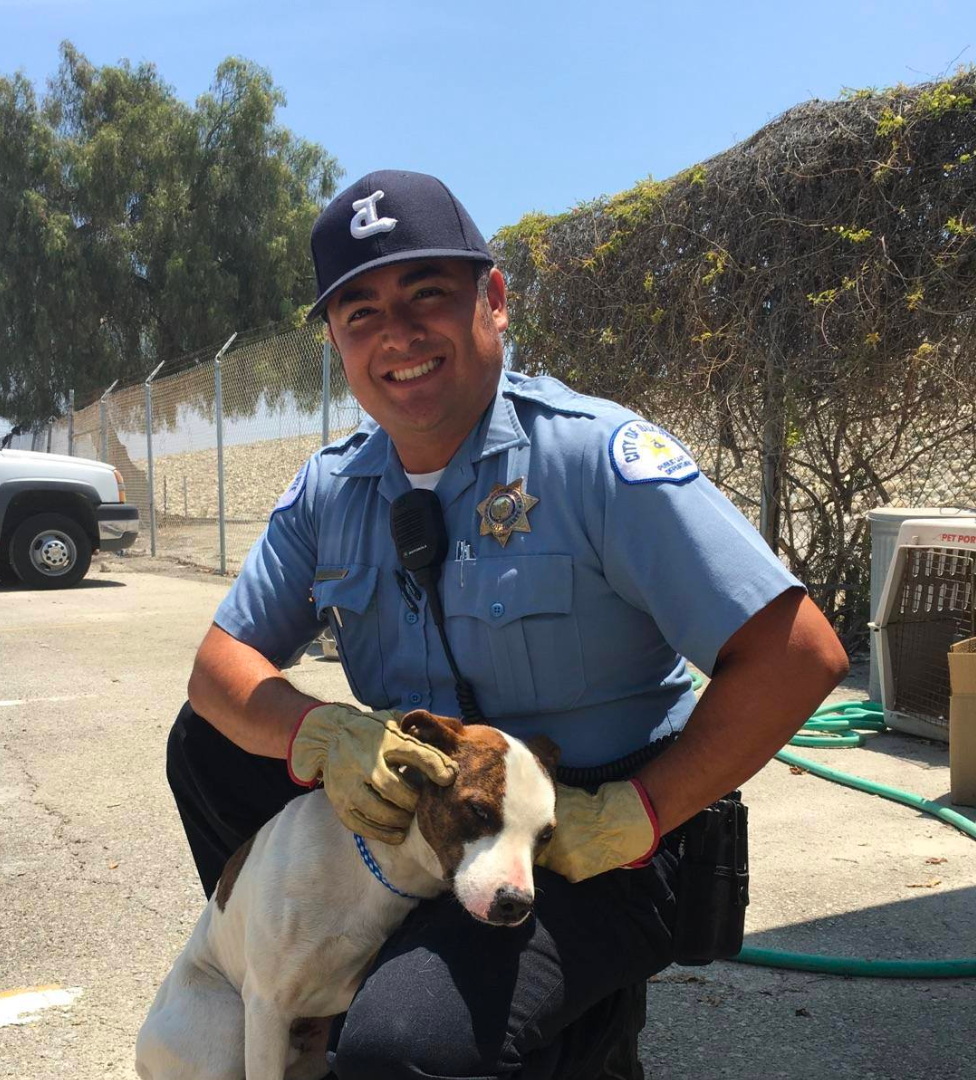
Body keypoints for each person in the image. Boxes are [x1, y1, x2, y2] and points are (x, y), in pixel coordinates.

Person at [166, 170, 849, 1079]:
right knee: (207, 744)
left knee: (401, 1051)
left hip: (595, 834)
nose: (398, 335)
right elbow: (220, 663)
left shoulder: (593, 459)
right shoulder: (332, 489)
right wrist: (321, 734)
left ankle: (562, 1033)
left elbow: (798, 654)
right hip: (433, 811)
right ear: (335, 339)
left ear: (492, 300)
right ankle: (324, 981)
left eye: (427, 294)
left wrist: (640, 814)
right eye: (360, 311)